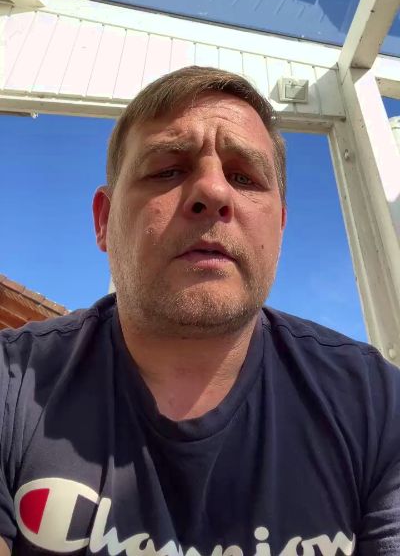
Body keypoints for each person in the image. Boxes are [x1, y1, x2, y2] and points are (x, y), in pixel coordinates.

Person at [0, 66, 399, 556]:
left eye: (244, 177)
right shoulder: (11, 383)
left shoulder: (378, 406)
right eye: (168, 170)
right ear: (104, 220)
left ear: (279, 227)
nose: (213, 192)